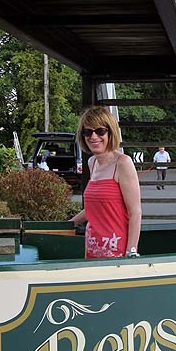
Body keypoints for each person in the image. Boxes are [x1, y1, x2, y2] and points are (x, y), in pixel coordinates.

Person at [69, 106, 142, 258]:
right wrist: (65, 225)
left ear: (110, 132)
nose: (93, 137)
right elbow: (93, 209)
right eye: (88, 132)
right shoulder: (92, 163)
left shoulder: (123, 163)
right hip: (91, 249)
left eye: (100, 131)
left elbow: (135, 212)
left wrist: (131, 252)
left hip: (115, 252)